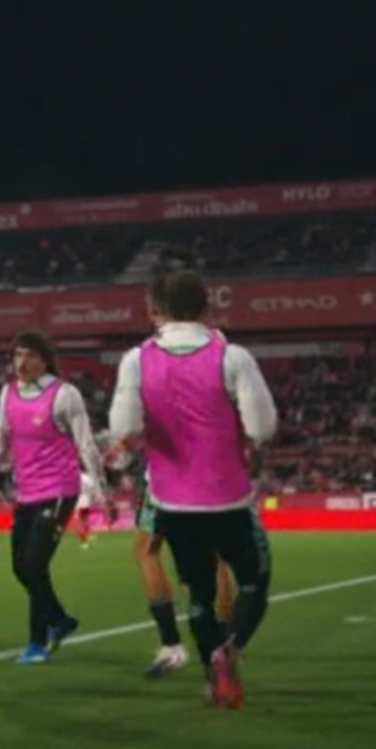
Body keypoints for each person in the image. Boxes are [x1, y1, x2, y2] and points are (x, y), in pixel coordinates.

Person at [109, 270, 278, 709]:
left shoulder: (136, 360)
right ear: (208, 308)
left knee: (200, 594)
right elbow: (263, 427)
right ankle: (230, 652)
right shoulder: (232, 356)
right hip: (228, 499)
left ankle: (213, 680)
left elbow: (124, 427)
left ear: (153, 312)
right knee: (254, 584)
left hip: (171, 501)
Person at [0, 331, 106, 663]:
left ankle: (37, 643)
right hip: (24, 492)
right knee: (20, 567)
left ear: (44, 359)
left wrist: (97, 485)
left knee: (35, 564)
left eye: (29, 356)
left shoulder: (64, 395)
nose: (21, 363)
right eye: (17, 356)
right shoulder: (8, 395)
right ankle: (60, 620)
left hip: (58, 490)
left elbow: (85, 443)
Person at [129, 465, 237, 678]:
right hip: (213, 475)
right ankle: (226, 642)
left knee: (147, 551)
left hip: (166, 479)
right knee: (215, 555)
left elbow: (129, 434)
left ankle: (171, 645)